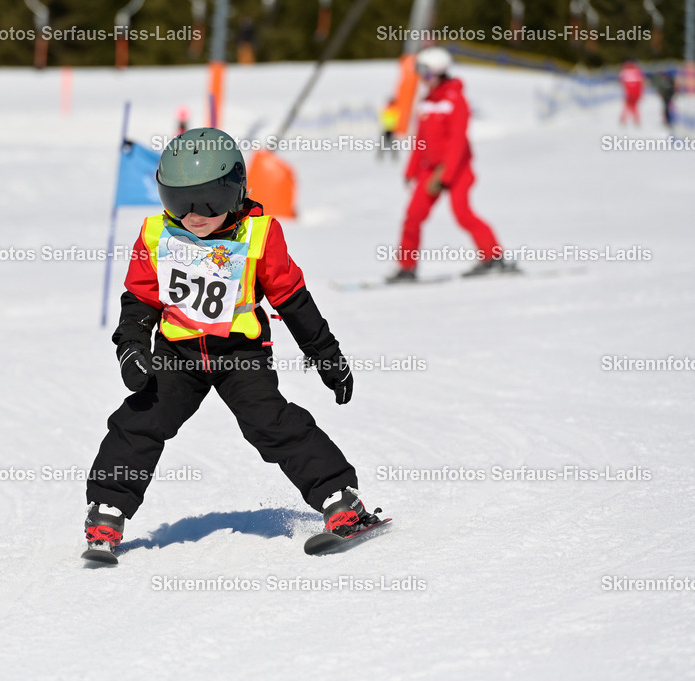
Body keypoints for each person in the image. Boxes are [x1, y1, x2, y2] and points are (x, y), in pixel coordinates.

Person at [84, 128, 379, 558]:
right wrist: (131, 345)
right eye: (178, 201)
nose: (193, 215)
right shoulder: (156, 236)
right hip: (177, 354)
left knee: (271, 424)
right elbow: (141, 299)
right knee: (140, 421)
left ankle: (341, 501)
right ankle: (108, 508)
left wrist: (326, 356)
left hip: (240, 355)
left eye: (208, 201)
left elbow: (292, 299)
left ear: (235, 192)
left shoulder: (258, 236)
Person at [388, 47, 514, 282]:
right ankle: (406, 268)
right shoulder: (427, 103)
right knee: (413, 216)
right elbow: (421, 142)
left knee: (463, 213)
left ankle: (493, 257)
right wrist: (411, 171)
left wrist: (444, 176)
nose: (423, 81)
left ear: (439, 73)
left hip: (456, 170)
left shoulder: (456, 101)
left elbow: (458, 142)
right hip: (430, 170)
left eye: (427, 74)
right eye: (421, 75)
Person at [619, 59, 644, 127]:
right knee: (634, 106)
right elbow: (641, 82)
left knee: (627, 105)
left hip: (628, 90)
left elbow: (621, 81)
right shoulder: (637, 70)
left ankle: (623, 119)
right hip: (635, 90)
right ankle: (636, 119)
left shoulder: (624, 70)